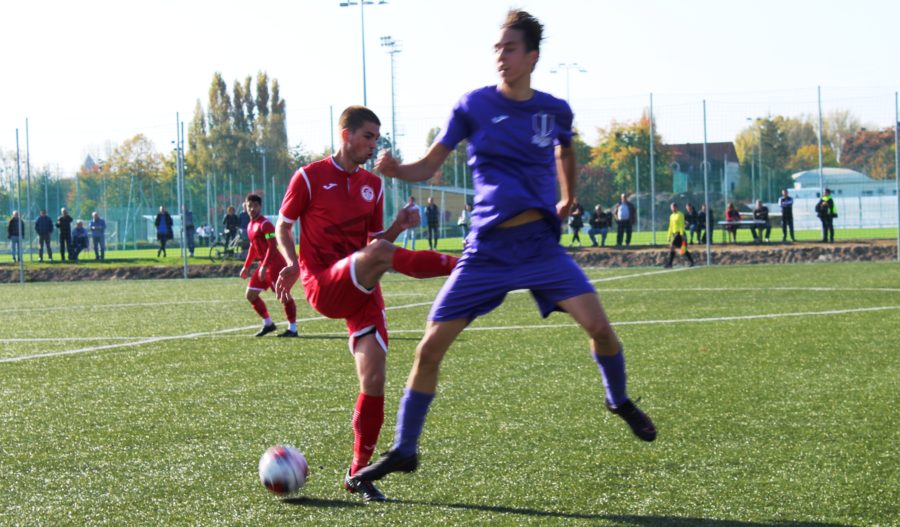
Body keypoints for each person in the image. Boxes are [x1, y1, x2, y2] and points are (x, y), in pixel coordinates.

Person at [351, 10, 656, 491]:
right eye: (497, 48)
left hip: (539, 247)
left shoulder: (554, 110)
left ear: (532, 56)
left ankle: (616, 399)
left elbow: (566, 150)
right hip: (487, 251)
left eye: (510, 48)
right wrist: (396, 169)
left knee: (600, 328)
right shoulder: (472, 105)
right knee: (429, 349)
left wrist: (568, 196)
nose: (501, 56)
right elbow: (429, 165)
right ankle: (406, 449)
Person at [273, 106, 459, 502]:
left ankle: (358, 473)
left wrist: (398, 227)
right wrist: (291, 263)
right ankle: (465, 265)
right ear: (346, 135)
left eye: (377, 137)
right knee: (379, 256)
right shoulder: (308, 177)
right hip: (324, 284)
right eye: (368, 136)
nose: (374, 144)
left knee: (374, 380)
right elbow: (283, 226)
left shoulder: (372, 185)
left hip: (361, 284)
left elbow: (375, 245)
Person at [239, 194, 299, 338]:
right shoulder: (250, 225)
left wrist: (265, 266)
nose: (252, 209)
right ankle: (268, 324)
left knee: (283, 295)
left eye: (255, 206)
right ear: (245, 207)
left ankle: (293, 328)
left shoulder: (265, 225)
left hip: (275, 264)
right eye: (249, 206)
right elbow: (253, 247)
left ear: (260, 207)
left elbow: (272, 246)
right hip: (264, 265)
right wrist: (246, 266)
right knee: (250, 294)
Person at [664, 203, 694, 268]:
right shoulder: (671, 216)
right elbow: (670, 226)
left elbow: (681, 225)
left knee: (672, 247)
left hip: (679, 234)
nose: (673, 209)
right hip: (674, 234)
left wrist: (682, 234)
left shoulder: (680, 214)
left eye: (674, 207)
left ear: (676, 207)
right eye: (672, 208)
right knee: (683, 249)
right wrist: (669, 236)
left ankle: (670, 263)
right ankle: (692, 262)